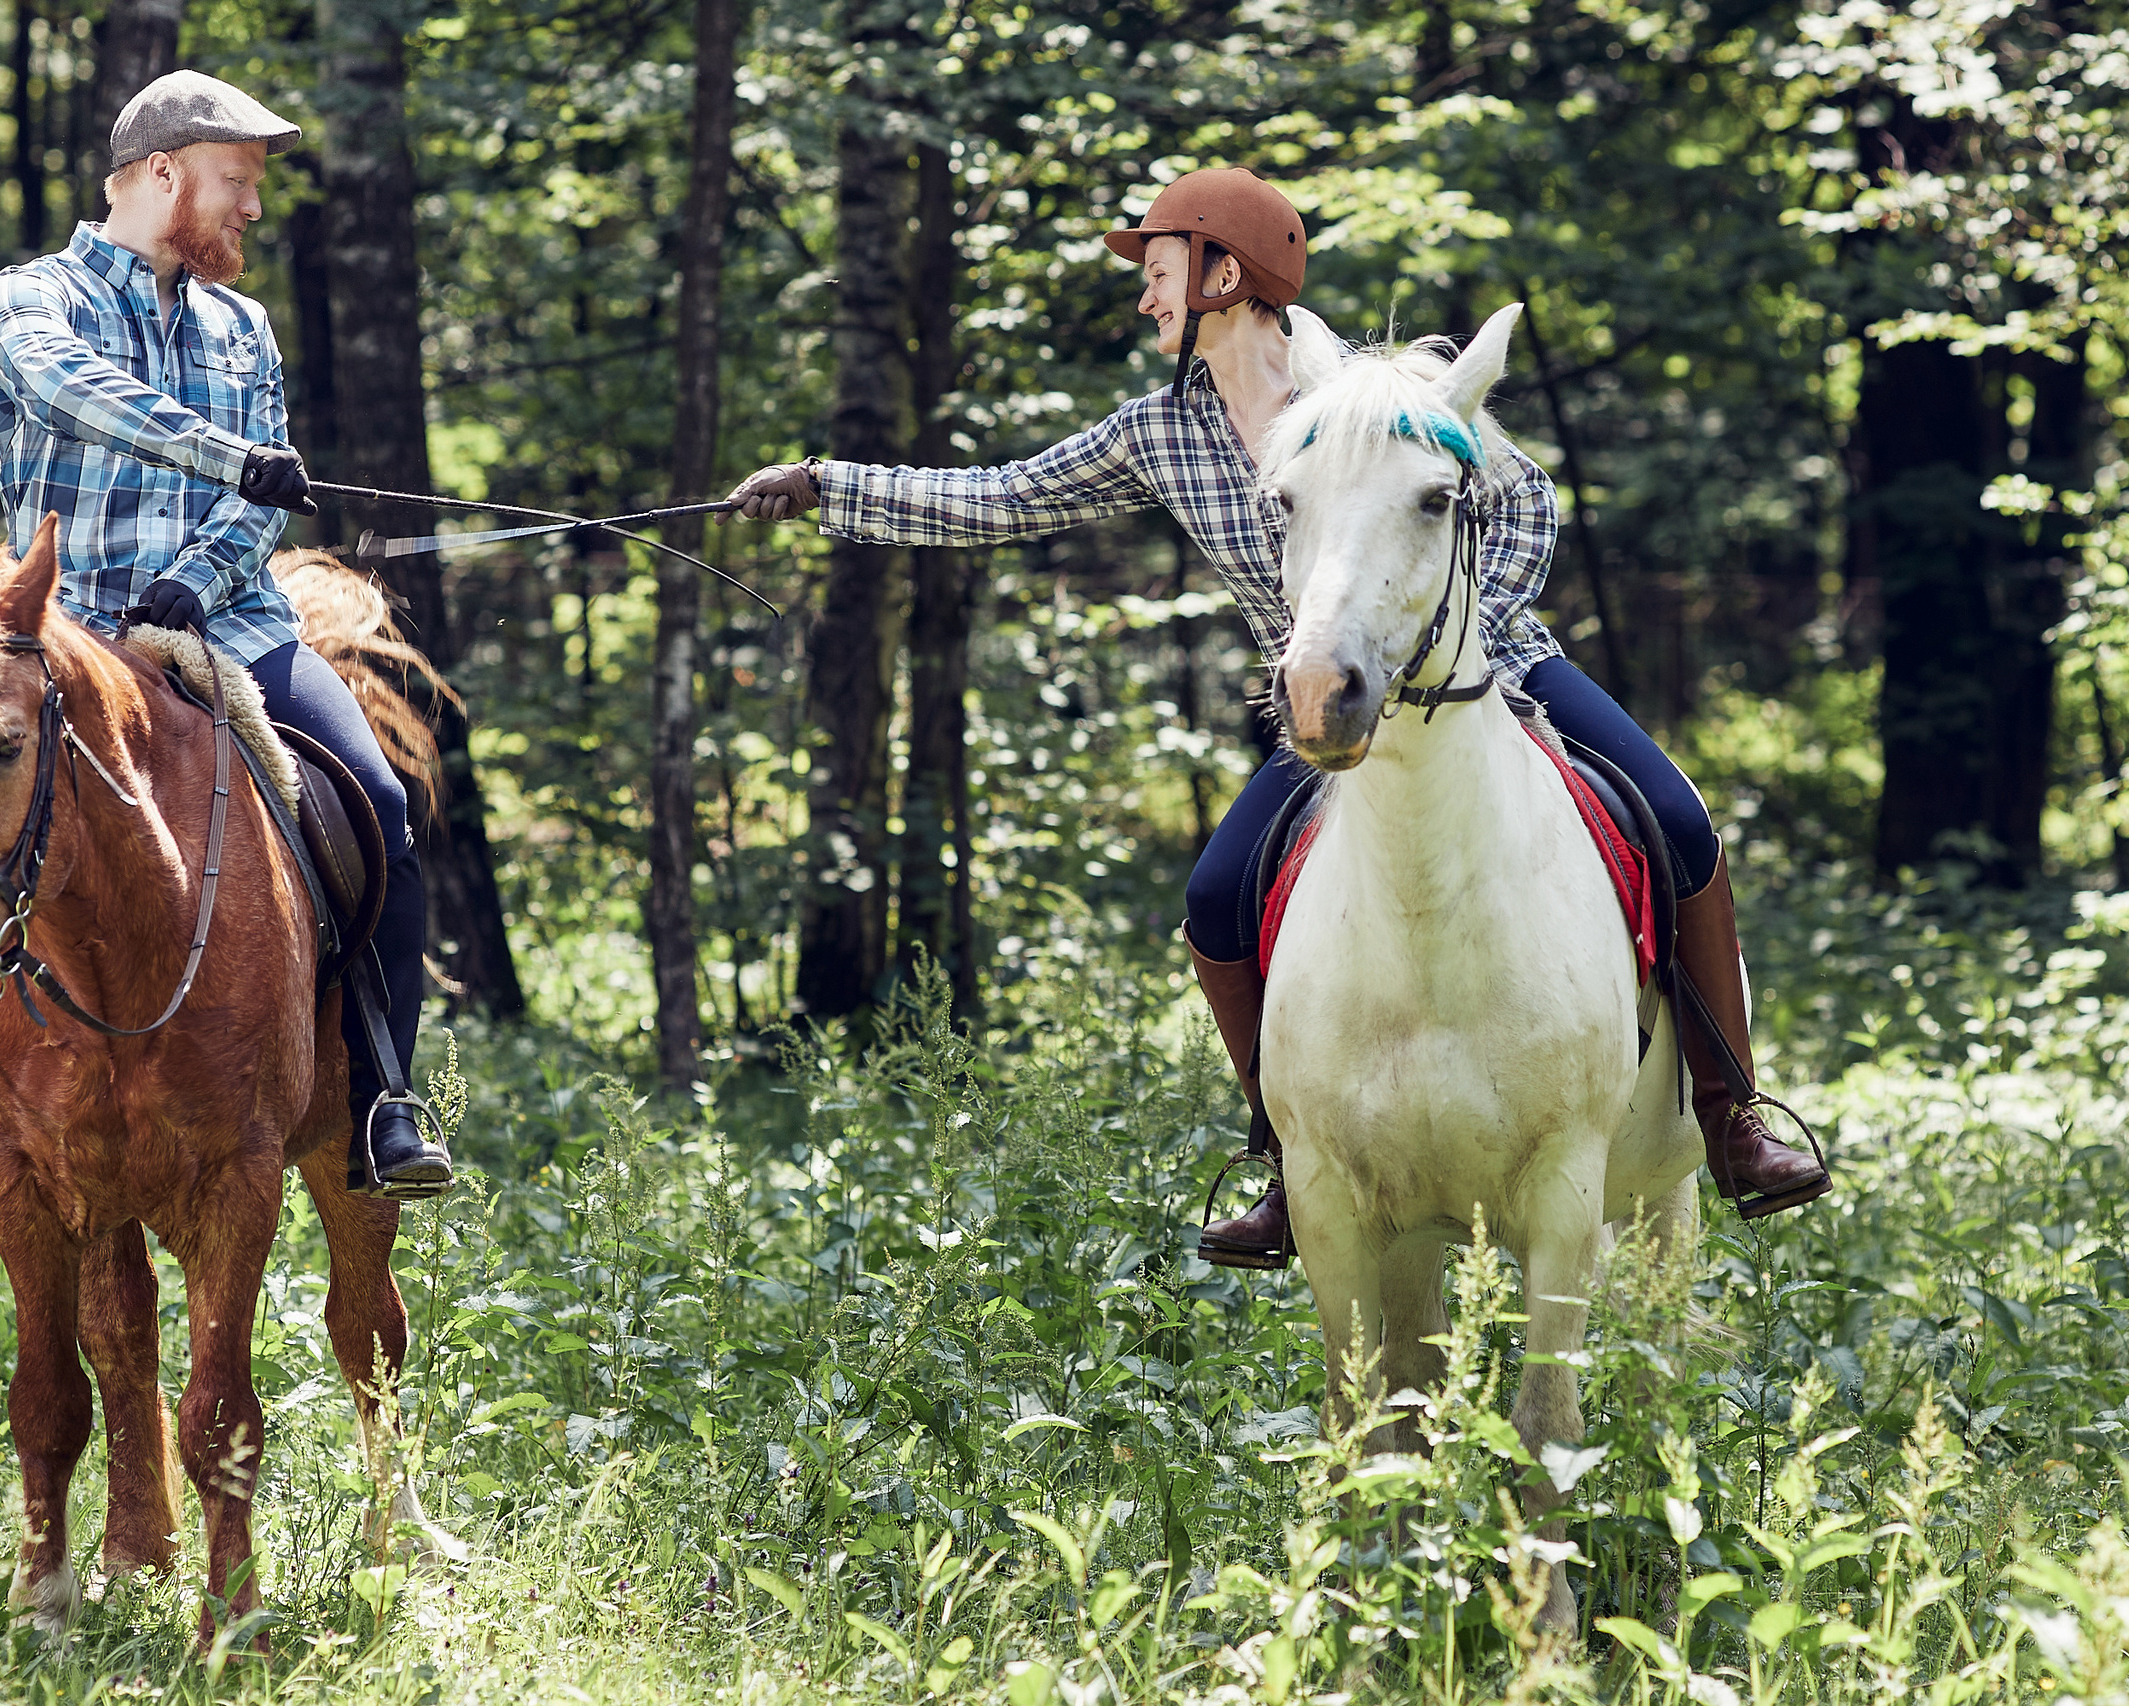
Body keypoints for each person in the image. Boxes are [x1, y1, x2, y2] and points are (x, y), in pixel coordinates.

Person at [727, 167, 1829, 1261]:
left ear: (1222, 274)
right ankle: (1285, 1157)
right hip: (1322, 708)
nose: (1147, 299)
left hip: (1493, 675)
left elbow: (1526, 498)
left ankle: (1733, 1121)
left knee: (1681, 829)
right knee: (1214, 902)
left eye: (1159, 273)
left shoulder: (1368, 393)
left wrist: (1468, 638)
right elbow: (1003, 498)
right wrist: (826, 486)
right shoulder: (1156, 434)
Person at [0, 70, 451, 1201]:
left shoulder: (241, 326)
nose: (252, 209)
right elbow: (77, 395)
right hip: (66, 636)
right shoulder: (35, 299)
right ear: (161, 174)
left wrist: (196, 577)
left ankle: (381, 1099)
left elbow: (264, 501)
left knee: (380, 809)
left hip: (229, 628)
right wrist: (223, 461)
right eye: (235, 183)